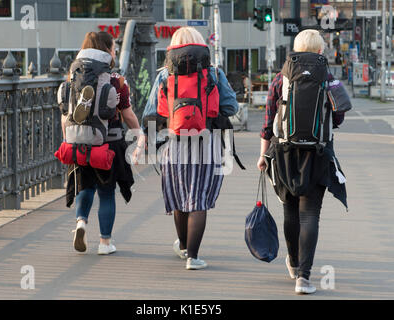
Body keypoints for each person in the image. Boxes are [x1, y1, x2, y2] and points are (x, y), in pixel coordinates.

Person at [257, 29, 349, 294]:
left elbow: (267, 122)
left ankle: (294, 263)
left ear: (295, 49)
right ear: (320, 51)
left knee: (290, 210)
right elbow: (339, 117)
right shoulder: (329, 78)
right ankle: (304, 279)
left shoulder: (280, 78)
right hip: (317, 154)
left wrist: (263, 156)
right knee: (310, 215)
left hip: (284, 153)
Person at [142, 27, 239, 270]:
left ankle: (184, 247)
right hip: (206, 143)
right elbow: (231, 107)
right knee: (198, 199)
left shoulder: (164, 75)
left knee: (179, 198)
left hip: (174, 144)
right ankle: (193, 258)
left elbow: (151, 113)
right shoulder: (214, 73)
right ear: (201, 46)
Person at [60, 32, 145, 255]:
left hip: (79, 140)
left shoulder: (73, 77)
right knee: (106, 193)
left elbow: (64, 115)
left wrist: (69, 139)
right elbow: (127, 114)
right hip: (109, 143)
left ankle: (80, 222)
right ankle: (105, 243)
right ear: (106, 50)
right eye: (113, 48)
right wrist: (139, 134)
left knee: (84, 187)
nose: (115, 52)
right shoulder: (116, 80)